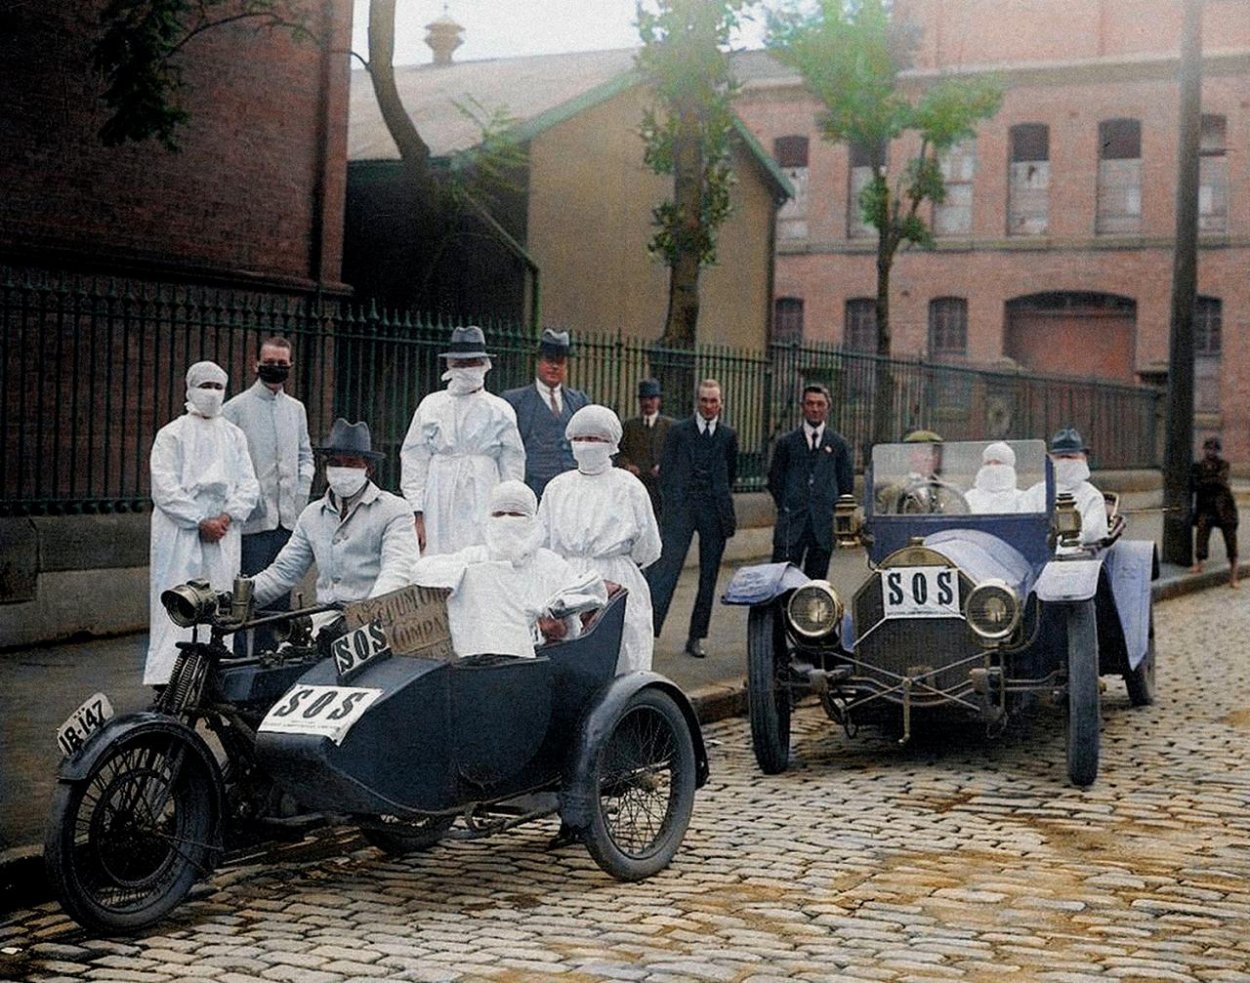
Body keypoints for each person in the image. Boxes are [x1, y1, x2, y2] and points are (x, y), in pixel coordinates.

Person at [145, 361, 259, 685]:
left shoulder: (234, 436)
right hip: (181, 532)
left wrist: (226, 517)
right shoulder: (172, 434)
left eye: (217, 387)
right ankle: (168, 677)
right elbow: (164, 487)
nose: (211, 394)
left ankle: (213, 674)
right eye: (204, 386)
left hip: (223, 532)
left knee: (219, 599)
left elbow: (249, 484)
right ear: (190, 389)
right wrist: (198, 519)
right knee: (178, 599)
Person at [412, 480, 607, 659]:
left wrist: (557, 629)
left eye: (515, 514)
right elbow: (422, 571)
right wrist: (461, 577)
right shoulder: (475, 557)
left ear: (531, 518)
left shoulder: (554, 566)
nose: (506, 520)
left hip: (538, 662)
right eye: (498, 514)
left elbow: (573, 629)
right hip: (478, 663)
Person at [537, 405, 661, 673]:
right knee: (567, 654)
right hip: (565, 578)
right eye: (579, 439)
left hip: (616, 579)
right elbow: (542, 542)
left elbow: (648, 547)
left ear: (611, 444)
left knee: (623, 651)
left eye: (593, 439)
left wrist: (615, 561)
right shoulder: (557, 487)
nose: (585, 445)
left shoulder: (629, 487)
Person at [250, 419, 418, 613]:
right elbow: (284, 571)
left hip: (373, 622)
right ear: (326, 467)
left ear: (369, 469)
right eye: (336, 463)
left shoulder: (394, 510)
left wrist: (369, 613)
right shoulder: (312, 515)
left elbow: (398, 569)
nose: (343, 470)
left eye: (352, 463)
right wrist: (239, 596)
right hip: (321, 620)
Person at [222, 336, 315, 653]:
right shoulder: (235, 409)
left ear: (290, 366)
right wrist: (249, 502)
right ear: (255, 364)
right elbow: (228, 464)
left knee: (279, 601)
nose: (275, 369)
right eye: (269, 363)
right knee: (245, 598)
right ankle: (237, 664)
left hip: (287, 521)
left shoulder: (295, 409)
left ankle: (269, 662)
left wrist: (300, 498)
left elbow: (306, 456)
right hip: (253, 525)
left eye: (282, 364)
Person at [401, 325, 526, 556]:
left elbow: (513, 466)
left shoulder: (499, 410)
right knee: (438, 558)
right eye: (460, 364)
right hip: (439, 494)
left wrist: (509, 510)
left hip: (484, 490)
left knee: (480, 557)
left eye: (472, 363)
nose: (466, 369)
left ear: (484, 365)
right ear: (450, 366)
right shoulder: (432, 405)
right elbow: (414, 459)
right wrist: (416, 513)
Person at [648, 379, 738, 659]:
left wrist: (718, 496)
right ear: (697, 402)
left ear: (721, 403)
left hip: (713, 511)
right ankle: (649, 632)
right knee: (666, 572)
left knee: (708, 578)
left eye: (714, 401)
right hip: (683, 510)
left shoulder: (728, 436)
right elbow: (666, 471)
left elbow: (731, 472)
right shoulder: (679, 431)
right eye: (704, 400)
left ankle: (696, 636)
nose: (709, 406)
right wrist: (676, 501)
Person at [767, 384, 854, 579]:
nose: (815, 409)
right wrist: (788, 504)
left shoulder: (838, 444)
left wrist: (831, 509)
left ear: (827, 407)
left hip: (822, 526)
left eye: (820, 404)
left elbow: (845, 484)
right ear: (802, 407)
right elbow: (775, 480)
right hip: (792, 525)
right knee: (782, 581)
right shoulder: (786, 443)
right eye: (810, 404)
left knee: (816, 585)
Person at [503, 329, 590, 499]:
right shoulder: (515, 401)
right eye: (549, 360)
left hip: (572, 490)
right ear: (538, 362)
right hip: (533, 489)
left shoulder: (579, 401)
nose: (554, 367)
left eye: (560, 361)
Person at [1023, 427, 1109, 546]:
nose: (1065, 462)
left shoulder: (1092, 496)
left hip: (1078, 557)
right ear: (1050, 459)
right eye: (1059, 457)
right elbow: (1025, 526)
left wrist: (1065, 540)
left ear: (1083, 458)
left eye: (1070, 457)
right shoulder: (1034, 493)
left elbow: (1093, 532)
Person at [616, 378, 672, 521]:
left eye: (652, 398)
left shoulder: (670, 427)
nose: (648, 403)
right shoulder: (629, 426)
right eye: (644, 399)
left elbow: (679, 453)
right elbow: (618, 452)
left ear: (659, 400)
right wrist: (627, 465)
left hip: (662, 489)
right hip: (636, 486)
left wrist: (664, 466)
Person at [1191, 436, 1239, 587]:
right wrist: (1213, 481)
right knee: (1202, 532)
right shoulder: (1198, 466)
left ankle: (1234, 575)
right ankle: (1199, 563)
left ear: (1217, 451)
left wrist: (1209, 482)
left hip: (1224, 507)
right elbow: (1196, 484)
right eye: (1208, 449)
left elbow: (1221, 481)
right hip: (1207, 507)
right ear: (1204, 450)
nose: (1211, 452)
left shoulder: (1223, 464)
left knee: (1231, 540)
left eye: (1214, 449)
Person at [965, 441, 1024, 514]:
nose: (992, 467)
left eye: (998, 463)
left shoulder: (1021, 498)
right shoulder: (970, 497)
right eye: (988, 463)